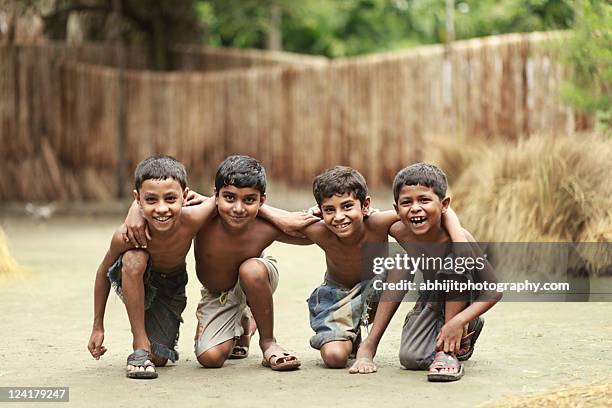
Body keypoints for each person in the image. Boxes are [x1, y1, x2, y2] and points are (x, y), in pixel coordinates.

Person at [259, 166, 466, 369]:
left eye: (347, 206)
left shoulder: (378, 222)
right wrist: (266, 209)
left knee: (402, 261)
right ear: (321, 211)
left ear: (365, 205)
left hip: (377, 289)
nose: (339, 216)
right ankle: (351, 337)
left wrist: (458, 240)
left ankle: (369, 345)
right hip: (338, 297)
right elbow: (278, 225)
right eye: (330, 210)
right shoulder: (319, 230)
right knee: (335, 358)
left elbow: (440, 210)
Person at [124, 155, 317, 371]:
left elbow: (310, 235)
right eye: (229, 197)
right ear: (216, 196)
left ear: (261, 200)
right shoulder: (201, 216)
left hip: (257, 277)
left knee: (251, 270)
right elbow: (155, 198)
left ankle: (268, 342)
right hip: (219, 293)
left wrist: (284, 217)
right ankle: (245, 324)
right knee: (210, 358)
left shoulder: (265, 226)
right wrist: (135, 211)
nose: (238, 208)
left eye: (249, 200)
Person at [349, 163, 501, 382]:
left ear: (444, 204)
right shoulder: (398, 230)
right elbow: (357, 217)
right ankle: (369, 344)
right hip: (432, 298)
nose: (415, 208)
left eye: (424, 200)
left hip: (463, 298)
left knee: (455, 263)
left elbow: (493, 291)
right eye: (406, 202)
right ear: (396, 208)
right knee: (412, 358)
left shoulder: (460, 240)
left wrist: (458, 322)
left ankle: (450, 350)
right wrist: (314, 214)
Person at [87, 155, 216, 379]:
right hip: (137, 277)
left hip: (171, 285)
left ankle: (241, 315)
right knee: (134, 258)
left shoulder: (193, 218)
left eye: (170, 198)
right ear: (137, 199)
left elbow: (229, 201)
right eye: (151, 200)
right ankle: (139, 343)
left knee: (158, 359)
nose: (162, 208)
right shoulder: (127, 235)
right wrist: (98, 326)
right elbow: (102, 273)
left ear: (185, 196)